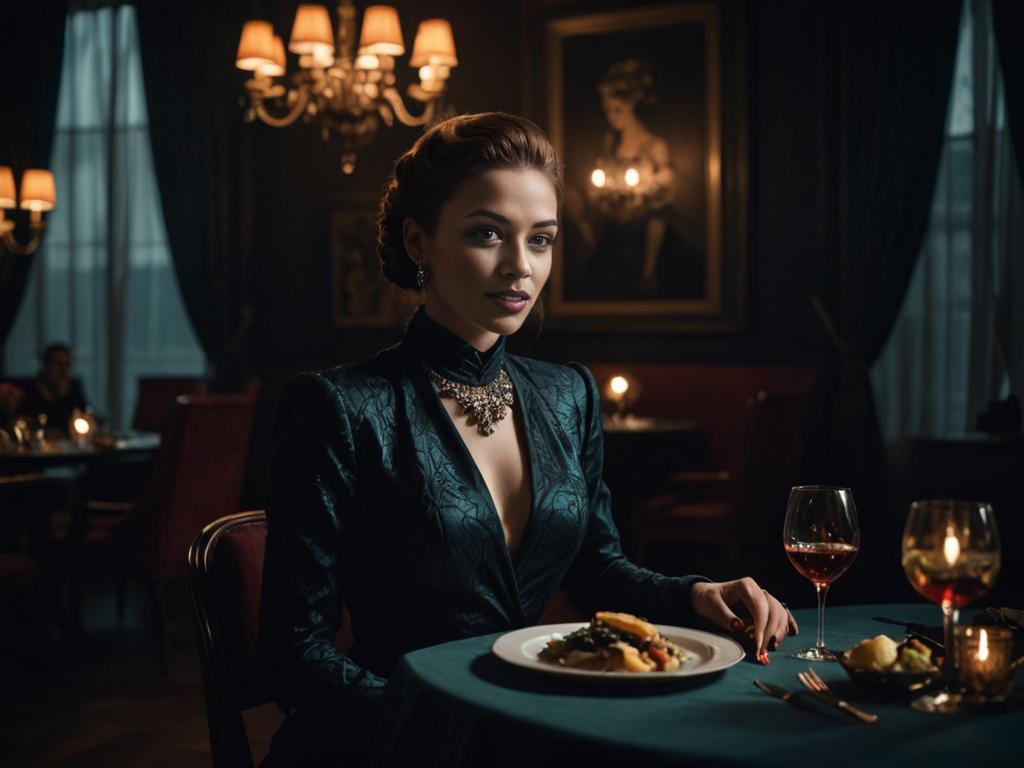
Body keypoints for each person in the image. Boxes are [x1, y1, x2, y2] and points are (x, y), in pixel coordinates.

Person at [259, 113, 796, 766]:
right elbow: (293, 650)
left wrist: (695, 595)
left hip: (532, 723)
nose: (520, 266)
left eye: (540, 240)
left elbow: (599, 571)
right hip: (393, 738)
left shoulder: (569, 394)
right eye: (487, 233)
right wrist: (439, 724)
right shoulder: (342, 407)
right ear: (418, 240)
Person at [19, 343, 88, 434]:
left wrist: (63, 397)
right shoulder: (29, 389)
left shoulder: (73, 388)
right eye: (58, 364)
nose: (63, 370)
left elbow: (83, 418)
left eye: (67, 365)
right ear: (46, 365)